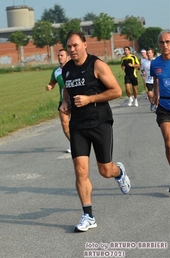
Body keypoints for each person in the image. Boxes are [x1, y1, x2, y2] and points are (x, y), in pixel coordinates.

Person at [59, 31, 131, 233]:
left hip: (100, 123)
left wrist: (90, 99)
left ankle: (119, 172)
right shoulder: (67, 69)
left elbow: (116, 91)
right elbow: (67, 89)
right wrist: (65, 101)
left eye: (75, 45)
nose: (72, 50)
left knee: (105, 170)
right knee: (80, 170)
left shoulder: (97, 65)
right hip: (78, 126)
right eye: (69, 46)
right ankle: (88, 215)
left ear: (84, 44)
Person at [151, 30, 170, 192]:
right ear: (158, 45)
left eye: (168, 42)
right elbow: (156, 80)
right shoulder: (155, 63)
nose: (165, 45)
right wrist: (156, 94)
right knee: (169, 143)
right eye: (162, 42)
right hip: (164, 106)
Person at [46, 49, 71, 153]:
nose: (60, 57)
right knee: (65, 124)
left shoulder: (73, 68)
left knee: (77, 123)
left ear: (68, 57)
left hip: (76, 98)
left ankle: (81, 142)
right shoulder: (56, 71)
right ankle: (73, 143)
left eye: (62, 55)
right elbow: (52, 82)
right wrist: (50, 86)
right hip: (63, 100)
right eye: (58, 55)